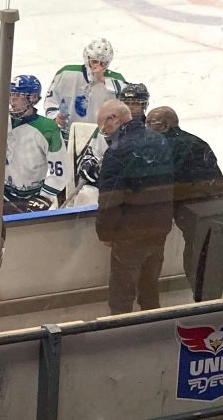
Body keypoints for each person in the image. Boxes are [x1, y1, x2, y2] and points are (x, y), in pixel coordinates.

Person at [146, 106, 223, 302]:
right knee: (197, 270)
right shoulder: (195, 142)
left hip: (215, 222)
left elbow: (160, 182)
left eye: (151, 123)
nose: (146, 127)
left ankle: (208, 322)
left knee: (205, 278)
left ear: (164, 125)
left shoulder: (165, 147)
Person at [95, 100, 174, 315]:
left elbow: (110, 199)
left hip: (130, 233)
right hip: (159, 228)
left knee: (121, 295)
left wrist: (105, 232)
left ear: (115, 119)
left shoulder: (117, 151)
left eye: (104, 126)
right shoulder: (159, 140)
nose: (104, 132)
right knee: (150, 290)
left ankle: (121, 339)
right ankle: (151, 334)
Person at [0, 75, 65, 212]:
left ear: (32, 98)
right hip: (2, 194)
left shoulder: (48, 128)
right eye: (10, 95)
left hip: (34, 197)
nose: (11, 101)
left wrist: (45, 197)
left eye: (17, 96)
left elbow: (60, 169)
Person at [75, 82, 151, 198]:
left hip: (143, 187)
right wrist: (90, 166)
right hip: (112, 187)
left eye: (135, 104)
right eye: (127, 103)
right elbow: (91, 155)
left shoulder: (152, 128)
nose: (130, 108)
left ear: (144, 105)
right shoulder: (107, 127)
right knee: (87, 193)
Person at [43, 38, 127, 140]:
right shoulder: (66, 74)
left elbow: (126, 109)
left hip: (100, 140)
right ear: (87, 58)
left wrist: (104, 81)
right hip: (67, 136)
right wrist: (55, 117)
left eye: (103, 63)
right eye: (95, 61)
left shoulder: (118, 81)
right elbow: (51, 101)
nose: (98, 66)